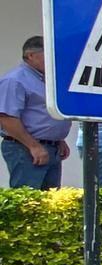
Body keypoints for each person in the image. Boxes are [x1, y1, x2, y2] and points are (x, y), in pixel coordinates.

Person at [0, 36, 72, 189]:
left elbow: (41, 113)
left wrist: (57, 139)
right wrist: (33, 146)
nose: (54, 59)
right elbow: (7, 118)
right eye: (49, 53)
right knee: (29, 199)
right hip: (25, 148)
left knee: (50, 200)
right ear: (31, 55)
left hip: (51, 148)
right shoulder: (15, 80)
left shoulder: (45, 80)